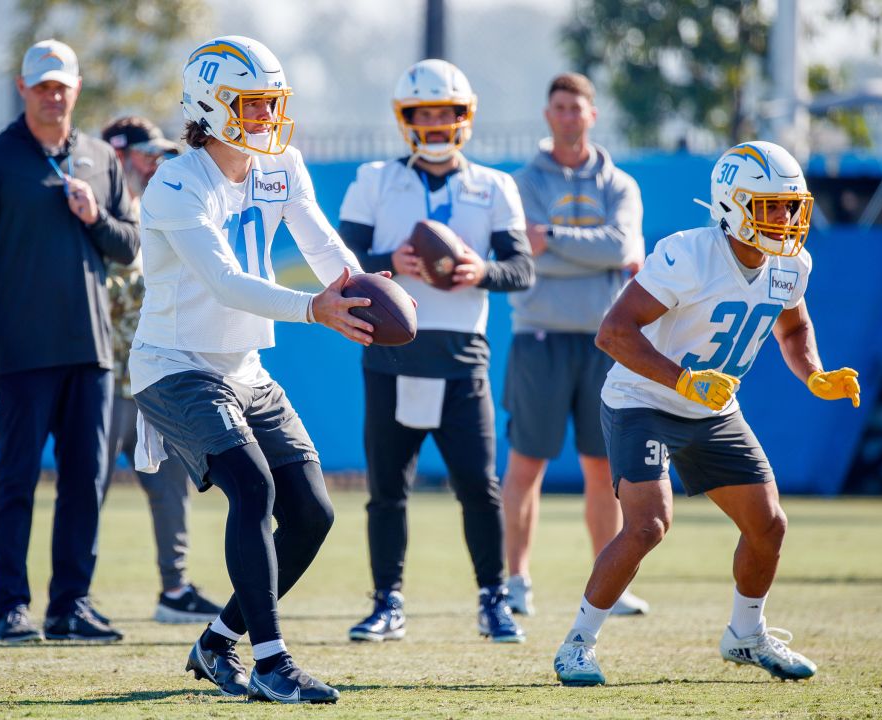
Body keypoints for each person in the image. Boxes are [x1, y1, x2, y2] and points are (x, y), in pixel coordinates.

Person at [552, 141, 861, 686]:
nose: (784, 219)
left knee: (768, 524)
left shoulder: (791, 264)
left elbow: (794, 328)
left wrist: (814, 372)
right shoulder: (688, 254)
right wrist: (683, 379)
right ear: (731, 205)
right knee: (648, 525)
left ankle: (745, 634)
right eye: (769, 205)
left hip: (713, 408)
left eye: (790, 206)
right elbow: (613, 333)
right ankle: (577, 643)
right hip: (643, 398)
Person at [132, 35, 372, 704]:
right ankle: (271, 663)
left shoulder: (282, 165)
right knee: (254, 489)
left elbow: (321, 241)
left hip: (243, 366)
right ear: (210, 106)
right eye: (253, 104)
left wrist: (358, 286)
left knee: (313, 513)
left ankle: (216, 643)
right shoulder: (177, 183)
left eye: (272, 104)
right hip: (175, 366)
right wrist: (315, 310)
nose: (267, 118)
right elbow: (226, 281)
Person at [0, 39, 138, 644]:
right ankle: (10, 607)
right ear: (24, 90)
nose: (53, 96)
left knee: (87, 481)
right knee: (18, 479)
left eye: (62, 85)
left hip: (90, 351)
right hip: (21, 352)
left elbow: (130, 245)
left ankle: (70, 605)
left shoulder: (100, 158)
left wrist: (93, 218)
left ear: (76, 90)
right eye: (42, 86)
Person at [339, 59, 534, 645]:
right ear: (406, 119)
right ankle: (387, 602)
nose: (434, 123)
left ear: (463, 117)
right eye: (423, 113)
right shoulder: (375, 178)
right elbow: (342, 259)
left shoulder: (495, 185)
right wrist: (385, 264)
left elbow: (521, 268)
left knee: (479, 485)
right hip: (392, 350)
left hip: (460, 354)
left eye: (445, 113)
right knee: (387, 489)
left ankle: (493, 599)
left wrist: (483, 271)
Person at [500, 72, 649, 618]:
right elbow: (524, 248)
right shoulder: (522, 183)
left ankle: (609, 586)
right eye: (558, 106)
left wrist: (556, 240)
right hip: (538, 340)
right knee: (525, 466)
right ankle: (515, 581)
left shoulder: (619, 185)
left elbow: (622, 246)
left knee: (600, 469)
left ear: (592, 115)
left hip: (604, 344)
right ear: (548, 115)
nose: (567, 116)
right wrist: (596, 251)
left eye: (576, 108)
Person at [98, 116, 222, 624]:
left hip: (156, 376)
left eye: (159, 152)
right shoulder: (97, 216)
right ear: (115, 158)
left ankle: (174, 589)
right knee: (90, 488)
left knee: (171, 486)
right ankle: (73, 595)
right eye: (142, 154)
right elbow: (98, 297)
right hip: (106, 376)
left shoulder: (172, 203)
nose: (154, 162)